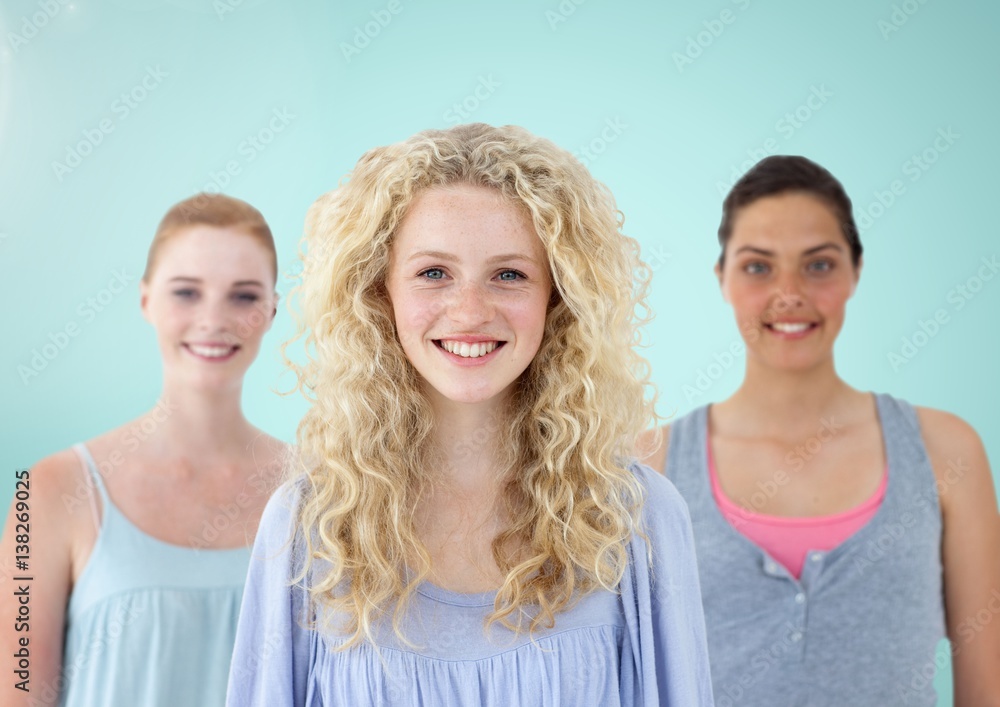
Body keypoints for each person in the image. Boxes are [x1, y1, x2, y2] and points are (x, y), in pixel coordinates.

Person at [226, 123, 714, 706]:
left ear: (558, 300)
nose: (469, 311)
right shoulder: (308, 527)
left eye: (509, 274)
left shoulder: (638, 521)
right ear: (378, 293)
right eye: (434, 273)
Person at [639, 155, 1000, 706]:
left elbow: (986, 689)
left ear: (855, 271)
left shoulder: (945, 450)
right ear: (723, 278)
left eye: (819, 265)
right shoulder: (651, 461)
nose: (790, 293)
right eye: (759, 266)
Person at [0, 193, 288, 707]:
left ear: (271, 310)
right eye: (186, 292)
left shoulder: (324, 489)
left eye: (243, 296)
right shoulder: (47, 491)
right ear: (145, 300)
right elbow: (17, 692)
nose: (213, 319)